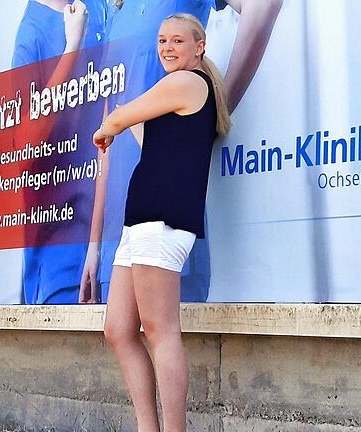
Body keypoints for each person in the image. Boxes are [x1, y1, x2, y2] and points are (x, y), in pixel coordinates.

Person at [79, 0, 282, 304]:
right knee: (119, 334)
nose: (167, 47)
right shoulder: (116, 12)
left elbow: (263, 4)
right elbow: (106, 140)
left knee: (165, 336)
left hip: (166, 215)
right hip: (121, 227)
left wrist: (216, 110)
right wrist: (94, 246)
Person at [94, 14, 229, 432]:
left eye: (177, 41)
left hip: (164, 222)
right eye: (162, 40)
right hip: (140, 222)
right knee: (118, 329)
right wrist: (118, 123)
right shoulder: (175, 92)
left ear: (199, 46)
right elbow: (139, 129)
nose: (167, 48)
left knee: (160, 329)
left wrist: (108, 127)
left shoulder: (189, 83)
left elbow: (119, 118)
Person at [12, 0, 107, 304]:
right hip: (59, 250)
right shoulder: (32, 34)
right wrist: (72, 47)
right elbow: (24, 145)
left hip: (115, 233)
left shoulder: (98, 6)